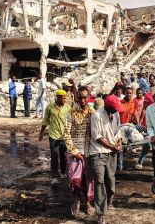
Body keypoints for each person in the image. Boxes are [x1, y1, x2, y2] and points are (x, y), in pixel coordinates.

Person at [89, 95, 123, 224]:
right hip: (98, 153)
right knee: (99, 181)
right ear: (107, 106)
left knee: (110, 180)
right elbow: (97, 136)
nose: (115, 111)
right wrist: (111, 146)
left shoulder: (116, 115)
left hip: (112, 153)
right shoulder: (97, 116)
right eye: (113, 109)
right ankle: (100, 213)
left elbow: (118, 132)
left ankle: (107, 203)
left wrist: (118, 143)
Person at [64, 86, 95, 216]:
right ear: (76, 98)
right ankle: (76, 201)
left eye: (85, 97)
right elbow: (66, 134)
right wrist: (74, 151)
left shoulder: (94, 113)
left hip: (90, 152)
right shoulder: (71, 113)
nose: (82, 100)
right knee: (75, 179)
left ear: (89, 97)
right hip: (75, 152)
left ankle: (88, 202)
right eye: (80, 97)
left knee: (89, 179)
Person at [39, 90, 72, 185]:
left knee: (64, 156)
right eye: (63, 98)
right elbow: (45, 120)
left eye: (66, 98)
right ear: (57, 97)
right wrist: (41, 133)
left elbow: (71, 121)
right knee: (54, 155)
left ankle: (62, 172)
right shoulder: (50, 107)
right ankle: (54, 176)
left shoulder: (68, 108)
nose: (65, 100)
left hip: (65, 136)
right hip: (53, 136)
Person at [118, 86, 136, 171]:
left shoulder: (133, 102)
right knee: (120, 146)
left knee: (126, 147)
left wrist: (136, 121)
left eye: (130, 93)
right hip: (120, 127)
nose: (129, 94)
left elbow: (134, 113)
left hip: (129, 126)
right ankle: (119, 166)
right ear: (124, 93)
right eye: (127, 93)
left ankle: (121, 163)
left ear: (132, 94)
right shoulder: (120, 103)